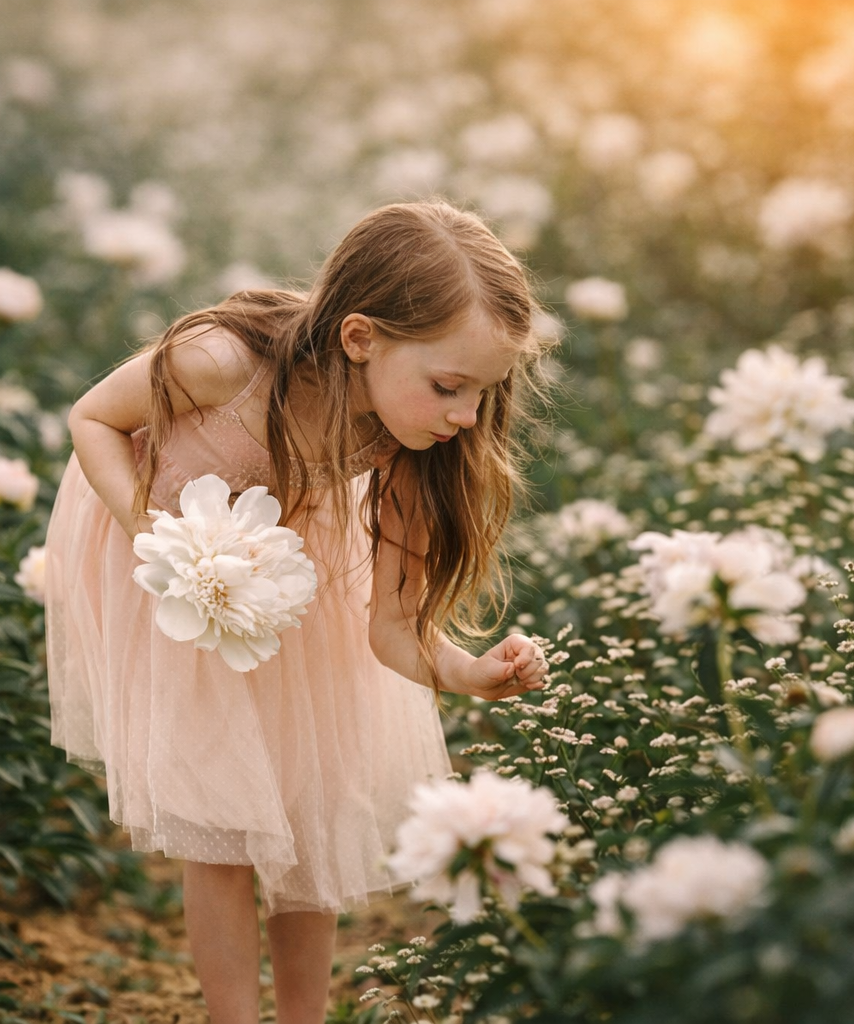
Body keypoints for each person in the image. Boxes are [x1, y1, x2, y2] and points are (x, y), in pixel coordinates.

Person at [44, 199, 555, 1023]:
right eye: (449, 387)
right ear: (361, 339)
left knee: (309, 802)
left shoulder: (409, 443)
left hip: (286, 565)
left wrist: (467, 670)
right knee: (222, 815)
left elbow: (392, 627)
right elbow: (93, 417)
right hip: (167, 554)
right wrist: (152, 532)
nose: (467, 417)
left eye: (481, 393)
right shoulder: (219, 364)